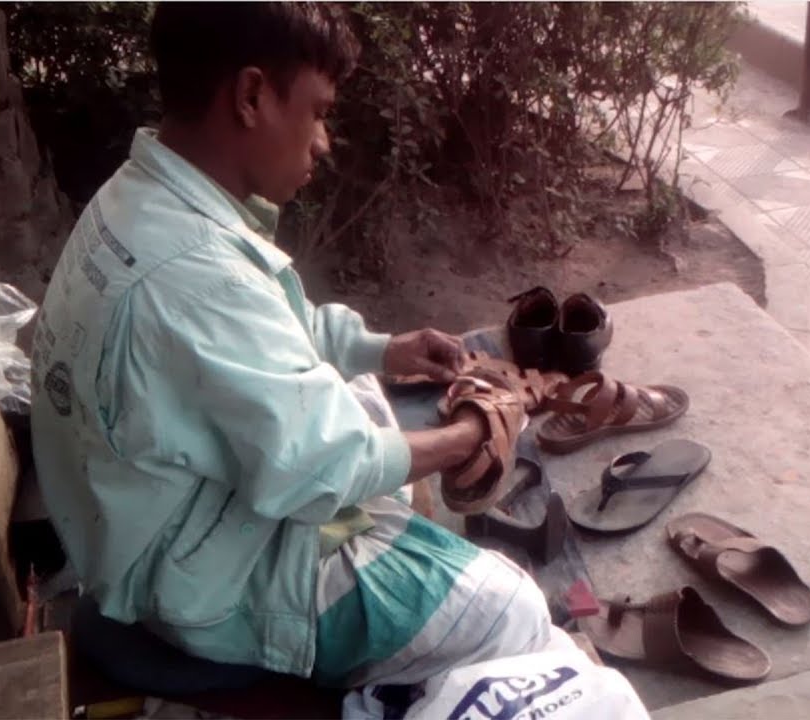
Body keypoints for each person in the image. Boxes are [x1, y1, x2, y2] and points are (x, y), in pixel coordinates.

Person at [30, 1, 552, 693]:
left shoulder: (143, 200)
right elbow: (322, 465)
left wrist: (381, 351)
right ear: (250, 96)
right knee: (516, 612)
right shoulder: (194, 271)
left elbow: (268, 334)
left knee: (368, 408)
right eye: (317, 111)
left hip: (150, 521)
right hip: (199, 592)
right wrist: (470, 433)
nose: (324, 141)